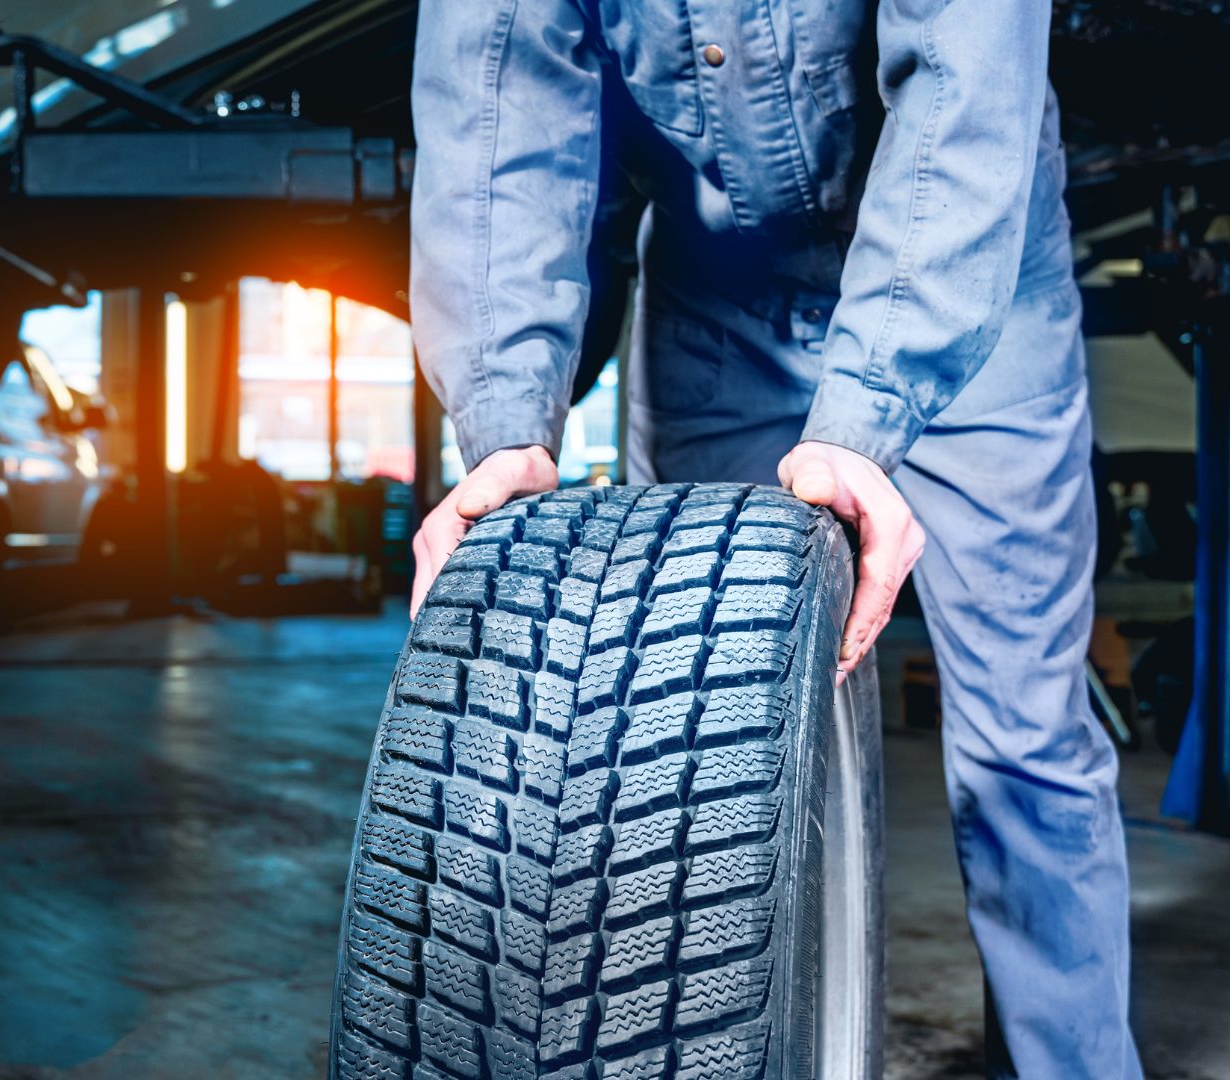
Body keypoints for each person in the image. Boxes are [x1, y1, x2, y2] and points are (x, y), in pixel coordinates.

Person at [405, 2, 1140, 1077]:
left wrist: (867, 412)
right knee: (677, 742)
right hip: (718, 309)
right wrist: (505, 428)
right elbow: (498, 111)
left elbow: (964, 84)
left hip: (976, 299)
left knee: (1024, 751)